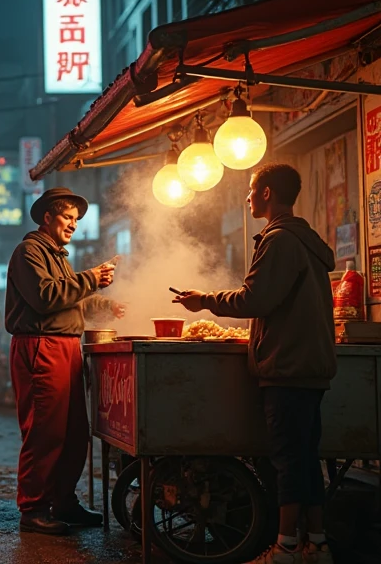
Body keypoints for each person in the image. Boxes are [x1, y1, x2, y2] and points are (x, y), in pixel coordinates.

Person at [173, 163, 335, 564]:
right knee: (304, 457)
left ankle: (286, 548)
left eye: (250, 190)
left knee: (286, 460)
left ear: (266, 193)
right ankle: (317, 543)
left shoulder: (279, 240)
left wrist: (205, 300)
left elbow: (254, 299)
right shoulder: (306, 240)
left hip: (287, 367)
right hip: (309, 366)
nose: (246, 198)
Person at [5, 187, 125, 535]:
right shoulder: (29, 252)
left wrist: (104, 304)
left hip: (66, 347)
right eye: (67, 217)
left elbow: (68, 299)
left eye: (76, 219)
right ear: (48, 217)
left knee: (74, 433)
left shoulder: (57, 255)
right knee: (46, 432)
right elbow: (46, 298)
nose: (73, 224)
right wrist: (92, 279)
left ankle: (63, 501)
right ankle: (34, 508)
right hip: (42, 346)